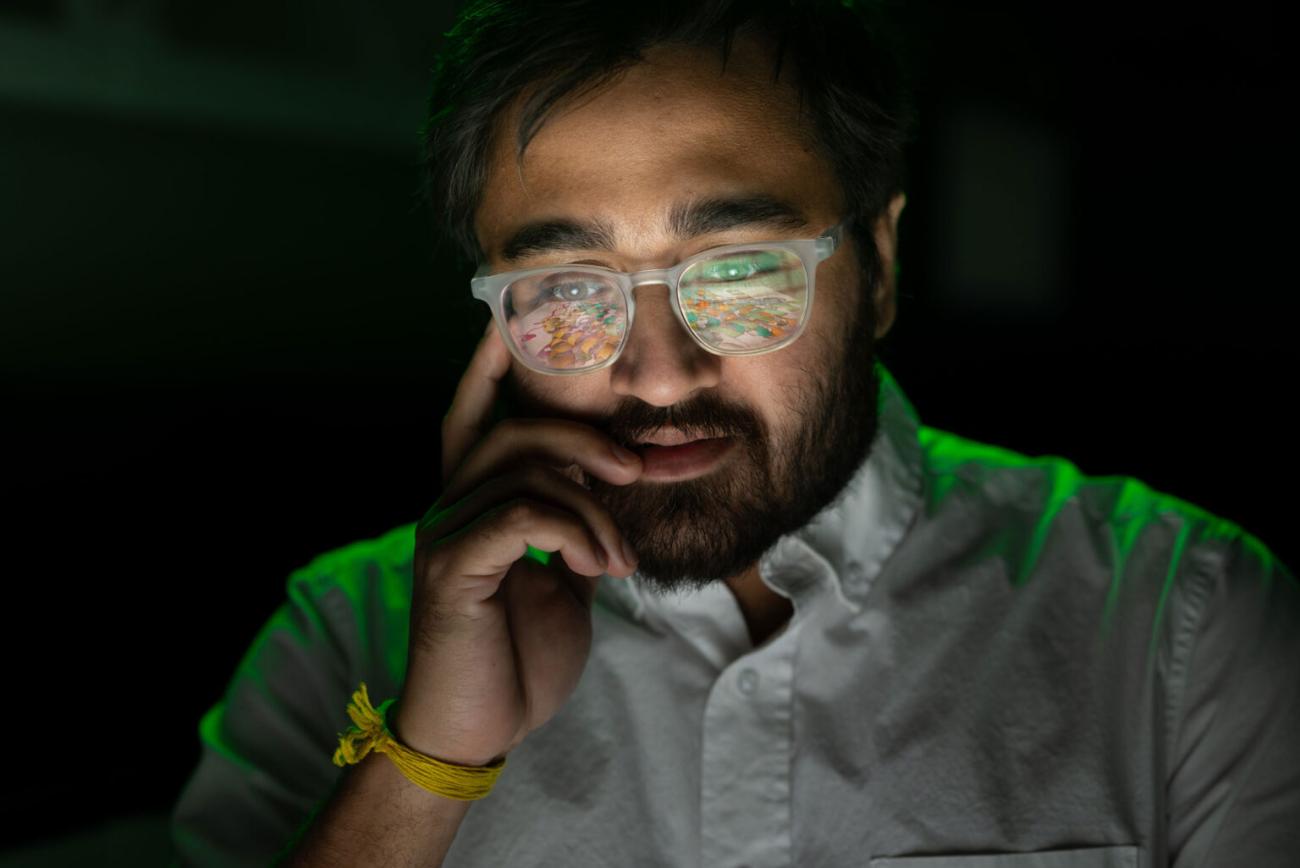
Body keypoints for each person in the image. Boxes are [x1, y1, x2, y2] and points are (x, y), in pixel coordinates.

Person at [169, 1, 1299, 866]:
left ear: (883, 268)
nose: (656, 374)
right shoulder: (341, 643)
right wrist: (425, 766)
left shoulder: (1177, 631)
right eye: (567, 288)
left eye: (743, 272)